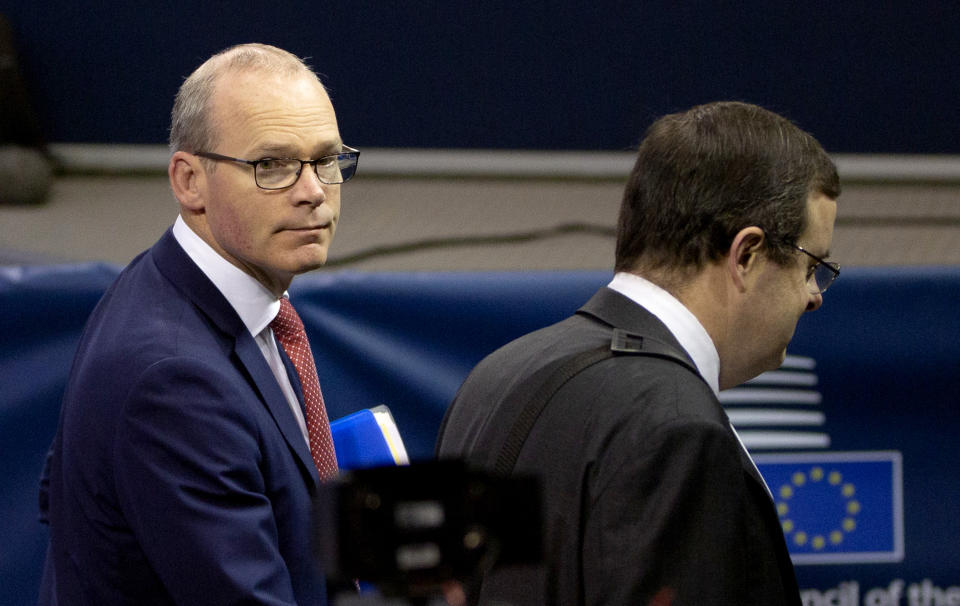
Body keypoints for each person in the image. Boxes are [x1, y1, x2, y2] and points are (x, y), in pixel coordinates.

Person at [436, 101, 841, 605]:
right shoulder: (677, 427)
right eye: (812, 265)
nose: (815, 295)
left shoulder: (495, 376)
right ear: (747, 254)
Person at [39, 43, 360, 605]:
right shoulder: (174, 383)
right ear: (189, 182)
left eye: (326, 160)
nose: (314, 192)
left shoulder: (171, 280)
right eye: (273, 166)